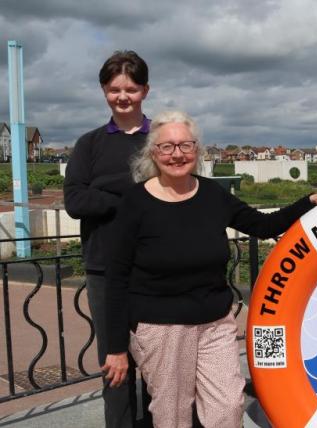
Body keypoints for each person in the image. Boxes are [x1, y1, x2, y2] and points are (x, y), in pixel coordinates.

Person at [102, 110, 317, 427]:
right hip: (161, 328)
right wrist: (116, 349)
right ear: (153, 152)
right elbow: (117, 277)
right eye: (167, 147)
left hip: (214, 323)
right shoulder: (135, 203)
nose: (177, 154)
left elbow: (262, 224)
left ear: (197, 150)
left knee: (227, 408)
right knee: (172, 415)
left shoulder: (213, 194)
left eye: (185, 145)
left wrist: (310, 200)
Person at [64, 50, 152, 428]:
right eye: (115, 89)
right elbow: (75, 201)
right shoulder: (89, 144)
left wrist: (106, 191)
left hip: (154, 266)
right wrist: (131, 192)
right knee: (115, 364)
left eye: (131, 89)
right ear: (104, 90)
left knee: (158, 362)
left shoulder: (162, 140)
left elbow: (179, 192)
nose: (123, 96)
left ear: (145, 90)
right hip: (103, 267)